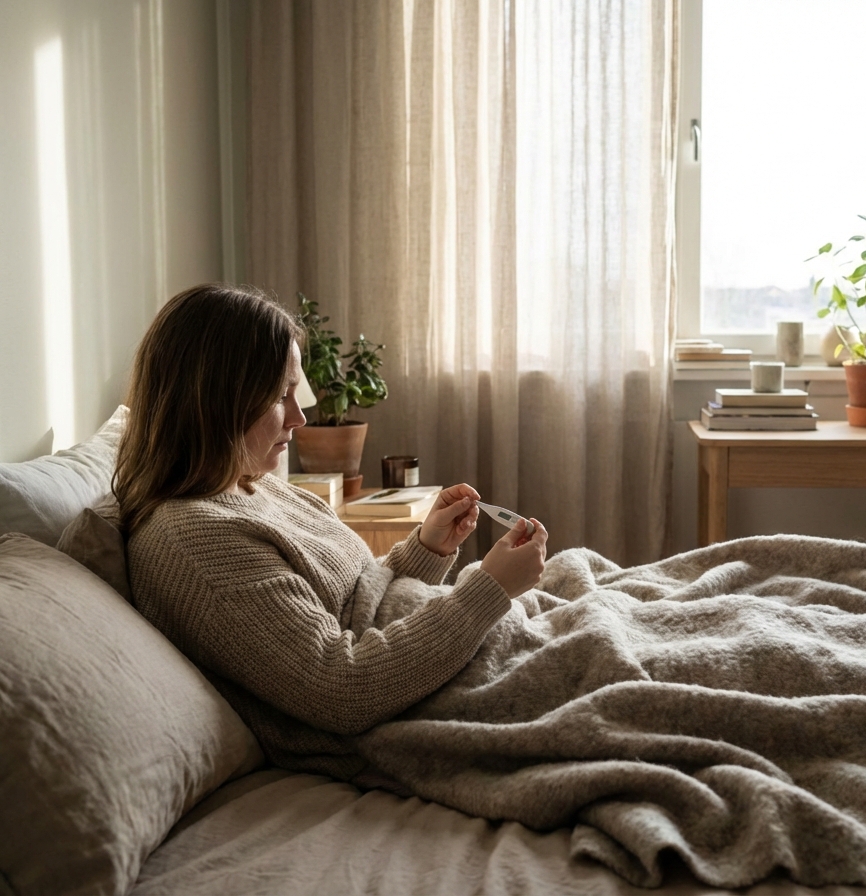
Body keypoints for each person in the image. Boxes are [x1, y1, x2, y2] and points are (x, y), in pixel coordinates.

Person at [116, 284, 547, 775]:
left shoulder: (253, 485)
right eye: (280, 396)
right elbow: (344, 688)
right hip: (438, 690)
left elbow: (355, 598)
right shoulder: (193, 543)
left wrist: (428, 548)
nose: (300, 417)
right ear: (215, 402)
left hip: (448, 649)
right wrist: (490, 590)